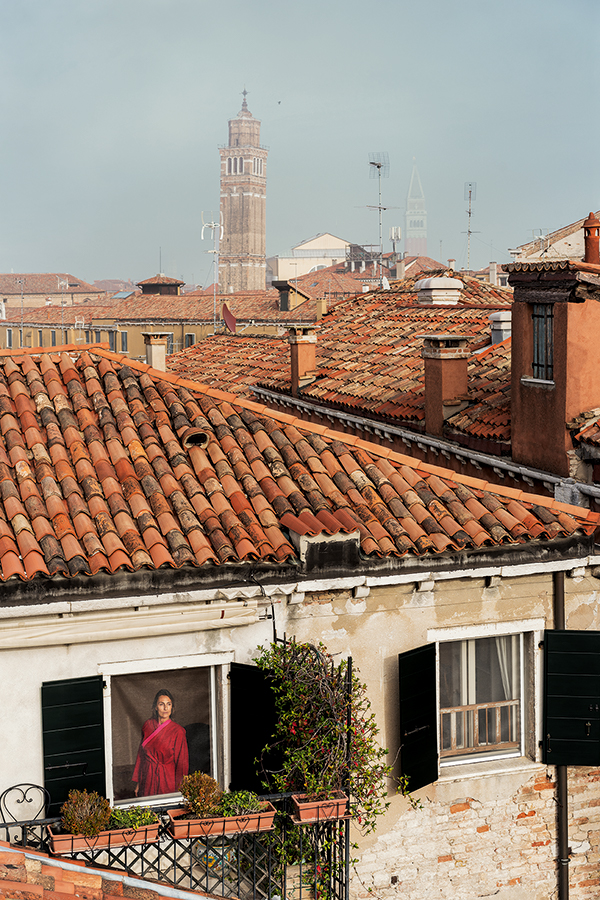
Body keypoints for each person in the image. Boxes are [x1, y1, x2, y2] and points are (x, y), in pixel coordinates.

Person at [133, 689, 189, 797]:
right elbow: (141, 756)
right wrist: (138, 783)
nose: (165, 708)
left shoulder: (178, 731)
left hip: (167, 779)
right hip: (148, 777)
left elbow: (182, 764)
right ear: (155, 707)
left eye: (169, 704)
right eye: (161, 704)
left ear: (172, 707)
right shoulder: (147, 726)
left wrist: (180, 790)